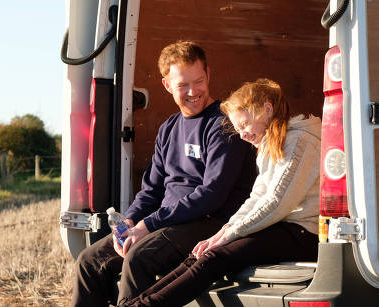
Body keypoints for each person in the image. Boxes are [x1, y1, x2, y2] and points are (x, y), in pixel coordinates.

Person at [70, 41, 258, 307]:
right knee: (89, 262)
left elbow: (211, 194)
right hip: (168, 223)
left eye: (199, 81)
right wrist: (129, 223)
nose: (193, 91)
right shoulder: (169, 128)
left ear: (209, 75)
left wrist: (148, 225)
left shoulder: (224, 124)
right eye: (183, 85)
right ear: (167, 85)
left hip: (210, 221)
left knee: (139, 257)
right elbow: (151, 189)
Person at [120, 78, 322, 307]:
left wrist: (229, 235)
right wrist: (222, 232)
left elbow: (275, 204)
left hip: (304, 233)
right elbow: (256, 198)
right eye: (238, 129)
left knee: (216, 257)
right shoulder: (272, 145)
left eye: (244, 125)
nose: (242, 135)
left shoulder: (299, 142)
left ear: (267, 109)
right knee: (201, 253)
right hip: (283, 227)